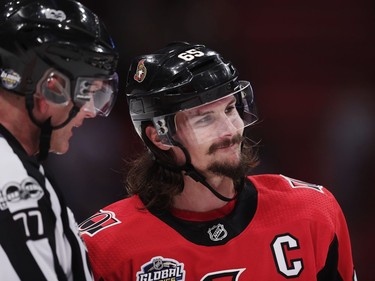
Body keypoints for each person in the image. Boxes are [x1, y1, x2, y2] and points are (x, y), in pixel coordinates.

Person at [79, 42, 357, 280]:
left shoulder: (313, 213)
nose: (229, 130)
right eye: (205, 118)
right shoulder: (104, 248)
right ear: (159, 137)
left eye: (230, 108)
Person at [0, 0, 119, 280]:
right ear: (51, 89)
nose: (90, 111)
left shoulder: (18, 167)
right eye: (88, 90)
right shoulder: (14, 183)